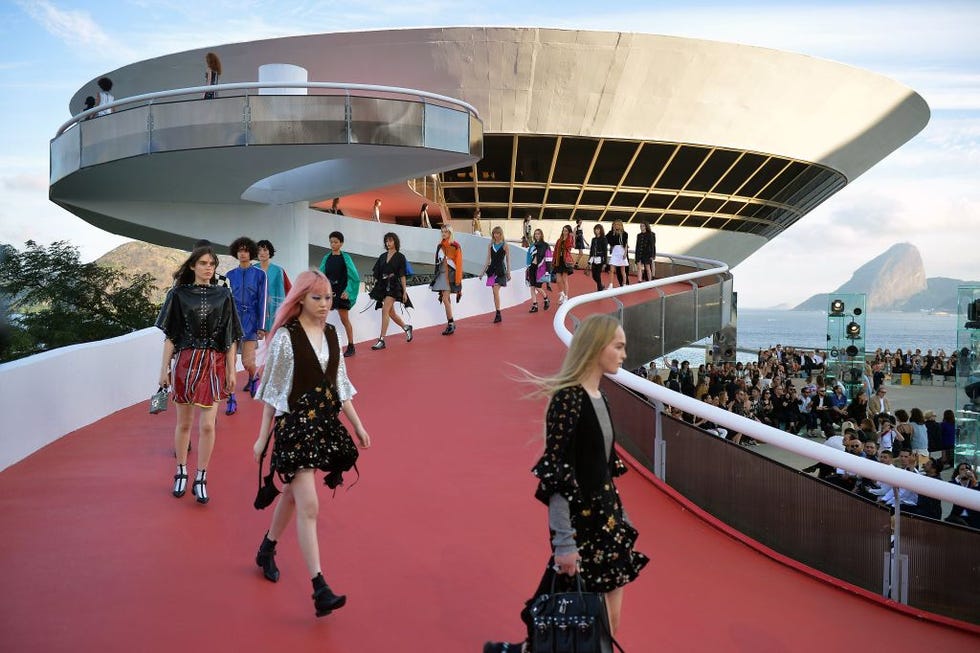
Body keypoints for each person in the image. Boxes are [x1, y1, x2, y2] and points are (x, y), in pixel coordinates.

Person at [483, 315, 648, 653]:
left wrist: (624, 519)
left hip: (609, 526)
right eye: (618, 346)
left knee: (603, 625)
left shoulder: (601, 398)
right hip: (583, 530)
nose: (624, 355)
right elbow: (558, 475)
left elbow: (601, 470)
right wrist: (563, 542)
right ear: (595, 348)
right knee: (585, 625)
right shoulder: (568, 400)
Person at [251, 270, 371, 617]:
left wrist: (359, 426)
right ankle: (320, 587)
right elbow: (273, 391)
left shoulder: (333, 334)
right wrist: (262, 439)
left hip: (322, 427)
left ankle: (267, 548)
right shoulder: (286, 339)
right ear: (300, 298)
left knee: (291, 495)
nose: (324, 304)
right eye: (317, 298)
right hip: (293, 429)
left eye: (329, 298)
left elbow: (341, 386)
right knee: (309, 505)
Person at [155, 245, 242, 504]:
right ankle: (181, 470)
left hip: (213, 362)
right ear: (192, 266)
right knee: (183, 424)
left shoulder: (224, 295)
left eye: (212, 263)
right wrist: (163, 370)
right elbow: (171, 336)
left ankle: (201, 476)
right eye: (203, 263)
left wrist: (231, 369)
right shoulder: (178, 294)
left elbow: (230, 336)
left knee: (207, 424)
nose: (208, 267)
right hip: (185, 362)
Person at [226, 237, 267, 414]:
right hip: (231, 323)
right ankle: (231, 398)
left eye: (246, 250)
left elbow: (263, 300)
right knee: (230, 362)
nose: (243, 253)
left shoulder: (260, 275)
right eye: (240, 250)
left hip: (250, 322)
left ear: (251, 253)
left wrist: (262, 326)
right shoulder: (229, 275)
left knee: (247, 361)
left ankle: (253, 376)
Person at [318, 231, 361, 357]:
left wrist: (348, 291)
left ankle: (351, 346)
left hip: (342, 293)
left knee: (345, 320)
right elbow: (321, 275)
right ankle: (321, 347)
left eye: (336, 242)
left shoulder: (345, 257)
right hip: (328, 293)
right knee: (321, 319)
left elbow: (354, 277)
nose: (333, 244)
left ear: (341, 243)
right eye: (331, 242)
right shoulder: (326, 258)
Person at [369, 232, 413, 350]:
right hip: (383, 286)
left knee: (385, 310)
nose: (388, 243)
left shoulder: (400, 257)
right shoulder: (382, 256)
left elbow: (402, 275)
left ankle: (381, 340)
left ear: (395, 242)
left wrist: (404, 292)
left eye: (390, 241)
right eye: (386, 241)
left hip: (394, 286)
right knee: (391, 313)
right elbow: (377, 272)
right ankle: (406, 327)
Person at [430, 225, 463, 335]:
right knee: (446, 299)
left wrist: (458, 282)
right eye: (442, 232)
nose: (443, 234)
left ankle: (451, 323)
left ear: (450, 233)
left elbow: (459, 264)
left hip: (451, 276)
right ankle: (450, 324)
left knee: (445, 299)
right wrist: (436, 277)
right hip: (441, 275)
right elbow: (437, 262)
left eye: (445, 232)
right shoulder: (439, 246)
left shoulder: (456, 246)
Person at [256, 239, 291, 337]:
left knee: (270, 339)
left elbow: (280, 293)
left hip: (272, 308)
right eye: (259, 250)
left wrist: (280, 312)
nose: (262, 253)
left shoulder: (277, 270)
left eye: (265, 250)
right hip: (256, 307)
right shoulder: (253, 269)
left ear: (270, 252)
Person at [480, 226, 511, 323]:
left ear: (501, 234)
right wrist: (482, 272)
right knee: (494, 292)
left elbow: (508, 260)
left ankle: (498, 313)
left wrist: (508, 271)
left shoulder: (505, 245)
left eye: (498, 233)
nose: (496, 235)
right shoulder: (490, 245)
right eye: (494, 233)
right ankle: (498, 313)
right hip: (492, 270)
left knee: (495, 289)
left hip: (501, 270)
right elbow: (487, 260)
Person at [525, 228, 552, 313]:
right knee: (532, 286)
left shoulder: (546, 245)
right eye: (536, 234)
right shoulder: (532, 246)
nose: (537, 235)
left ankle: (546, 298)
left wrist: (548, 270)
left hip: (541, 268)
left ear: (541, 235)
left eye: (538, 234)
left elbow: (548, 259)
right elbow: (528, 256)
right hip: (532, 267)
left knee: (538, 286)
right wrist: (528, 266)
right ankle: (534, 305)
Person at [552, 224, 574, 304]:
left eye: (566, 231)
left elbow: (569, 246)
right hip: (558, 260)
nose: (564, 232)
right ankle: (561, 293)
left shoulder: (569, 240)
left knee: (565, 280)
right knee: (558, 280)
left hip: (565, 261)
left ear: (569, 232)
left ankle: (566, 296)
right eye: (563, 230)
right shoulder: (559, 240)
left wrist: (570, 237)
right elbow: (555, 251)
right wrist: (553, 261)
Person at [606, 219, 629, 288]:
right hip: (615, 251)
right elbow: (605, 239)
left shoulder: (625, 234)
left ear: (621, 225)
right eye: (615, 224)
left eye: (618, 224)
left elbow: (626, 244)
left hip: (621, 251)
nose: (616, 226)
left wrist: (625, 253)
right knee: (611, 269)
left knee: (623, 270)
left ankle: (624, 284)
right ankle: (611, 284)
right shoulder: (611, 233)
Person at [587, 224, 608, 292]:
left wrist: (605, 262)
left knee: (598, 275)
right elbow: (591, 250)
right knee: (594, 275)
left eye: (598, 229)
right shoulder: (593, 239)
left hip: (600, 259)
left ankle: (599, 289)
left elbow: (605, 251)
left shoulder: (604, 239)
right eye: (596, 229)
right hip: (593, 259)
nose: (597, 231)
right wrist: (589, 260)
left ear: (601, 230)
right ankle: (601, 285)